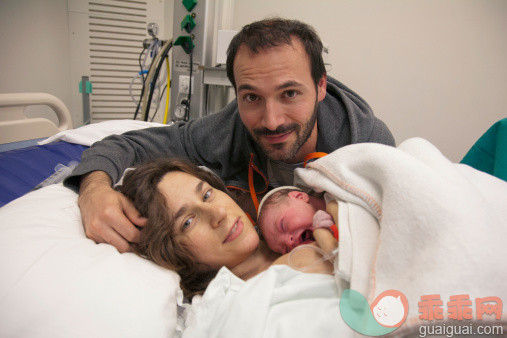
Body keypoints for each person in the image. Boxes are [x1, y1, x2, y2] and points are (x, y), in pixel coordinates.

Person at [66, 17, 395, 252]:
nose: (271, 120)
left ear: (320, 86)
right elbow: (128, 144)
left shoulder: (367, 145)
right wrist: (93, 190)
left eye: (290, 93)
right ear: (236, 94)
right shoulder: (224, 131)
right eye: (251, 97)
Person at [117, 158, 337, 298]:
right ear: (174, 257)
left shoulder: (317, 213)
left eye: (207, 194)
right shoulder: (235, 303)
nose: (218, 213)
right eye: (188, 222)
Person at [257, 186, 338, 254]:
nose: (289, 242)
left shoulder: (335, 191)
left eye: (283, 226)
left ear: (299, 197)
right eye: (287, 250)